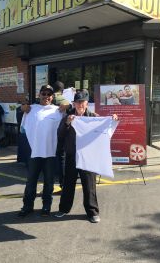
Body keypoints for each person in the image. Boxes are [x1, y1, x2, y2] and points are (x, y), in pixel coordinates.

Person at [55, 90, 118, 223]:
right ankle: (64, 209)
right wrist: (67, 123)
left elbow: (104, 130)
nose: (79, 105)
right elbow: (60, 135)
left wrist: (112, 120)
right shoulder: (68, 116)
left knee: (89, 185)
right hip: (72, 156)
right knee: (68, 184)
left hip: (89, 156)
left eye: (82, 102)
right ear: (73, 103)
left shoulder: (93, 117)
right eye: (77, 102)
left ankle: (92, 212)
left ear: (86, 103)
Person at [18, 85, 63, 217]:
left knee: (49, 182)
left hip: (50, 153)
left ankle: (46, 206)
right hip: (34, 152)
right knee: (31, 181)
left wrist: (67, 106)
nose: (46, 96)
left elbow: (74, 114)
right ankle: (27, 206)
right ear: (39, 95)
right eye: (43, 93)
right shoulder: (31, 109)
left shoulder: (58, 111)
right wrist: (22, 109)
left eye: (49, 94)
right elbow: (22, 129)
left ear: (53, 97)